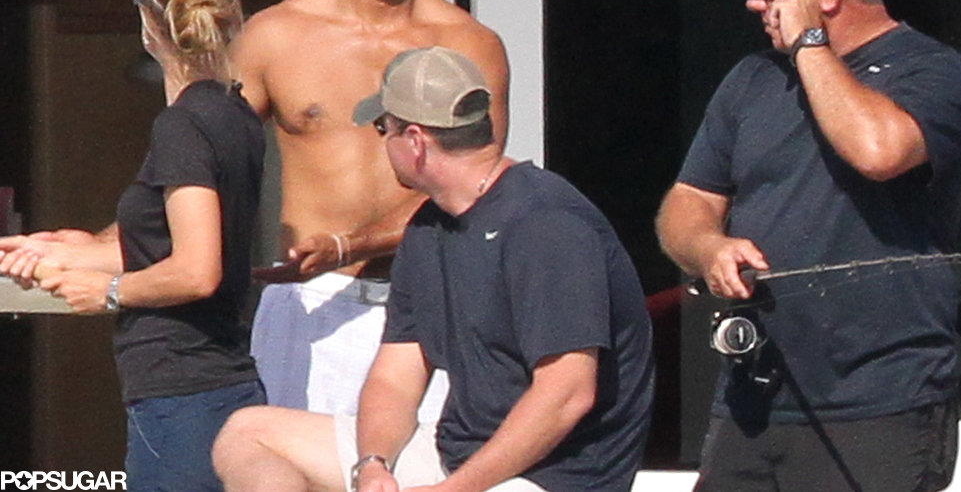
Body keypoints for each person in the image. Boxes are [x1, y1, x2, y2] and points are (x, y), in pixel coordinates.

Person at [212, 46, 654, 491]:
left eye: (384, 128)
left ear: (416, 142)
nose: (382, 142)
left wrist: (455, 489)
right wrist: (372, 465)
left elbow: (566, 395)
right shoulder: (429, 229)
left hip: (551, 477)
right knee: (248, 434)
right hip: (458, 457)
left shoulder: (547, 224)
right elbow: (396, 376)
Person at [656, 0, 961, 491]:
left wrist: (810, 46)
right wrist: (708, 248)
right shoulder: (752, 79)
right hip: (754, 396)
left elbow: (877, 152)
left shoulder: (932, 71)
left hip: (877, 402)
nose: (755, 1)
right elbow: (687, 200)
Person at [233, 0, 509, 418]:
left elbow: (474, 189)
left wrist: (350, 246)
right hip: (308, 306)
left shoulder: (468, 44)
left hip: (427, 302)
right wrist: (107, 245)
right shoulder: (275, 35)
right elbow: (203, 159)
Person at [0, 0, 267, 491]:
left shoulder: (183, 126)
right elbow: (171, 237)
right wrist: (69, 252)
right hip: (216, 386)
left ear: (148, 23)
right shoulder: (232, 111)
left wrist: (109, 292)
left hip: (184, 390)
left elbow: (197, 269)